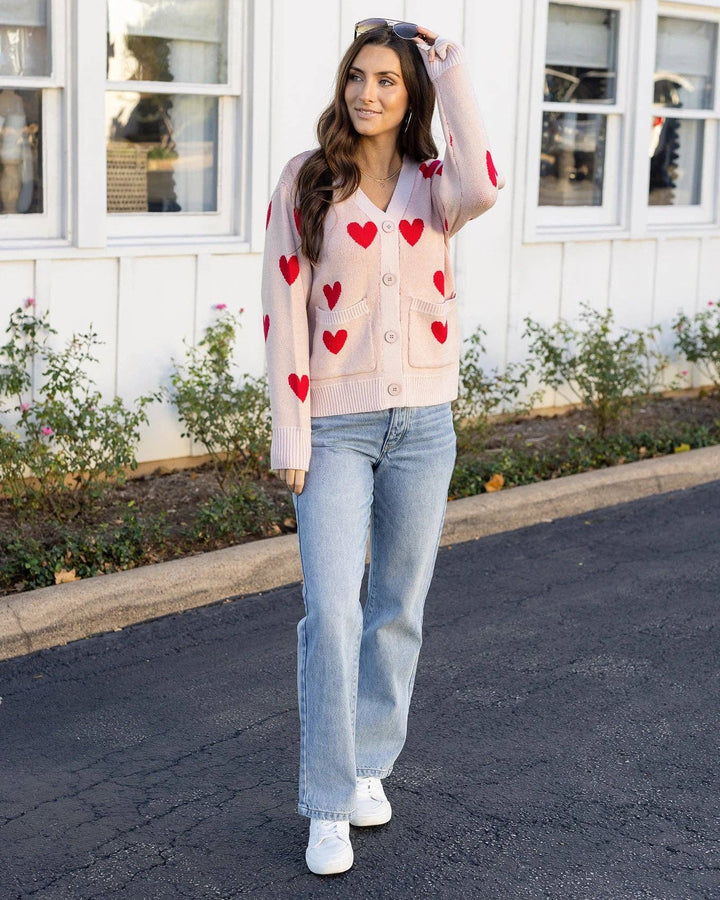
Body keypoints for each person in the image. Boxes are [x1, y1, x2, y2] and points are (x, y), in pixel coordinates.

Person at [261, 17, 504, 875]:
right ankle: (327, 806)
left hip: (424, 426)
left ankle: (368, 765)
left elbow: (486, 182)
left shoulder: (437, 187)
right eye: (358, 76)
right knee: (332, 613)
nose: (367, 92)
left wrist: (453, 67)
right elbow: (283, 308)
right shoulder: (307, 180)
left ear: (411, 98)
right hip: (334, 428)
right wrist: (291, 428)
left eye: (388, 81)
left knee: (397, 606)